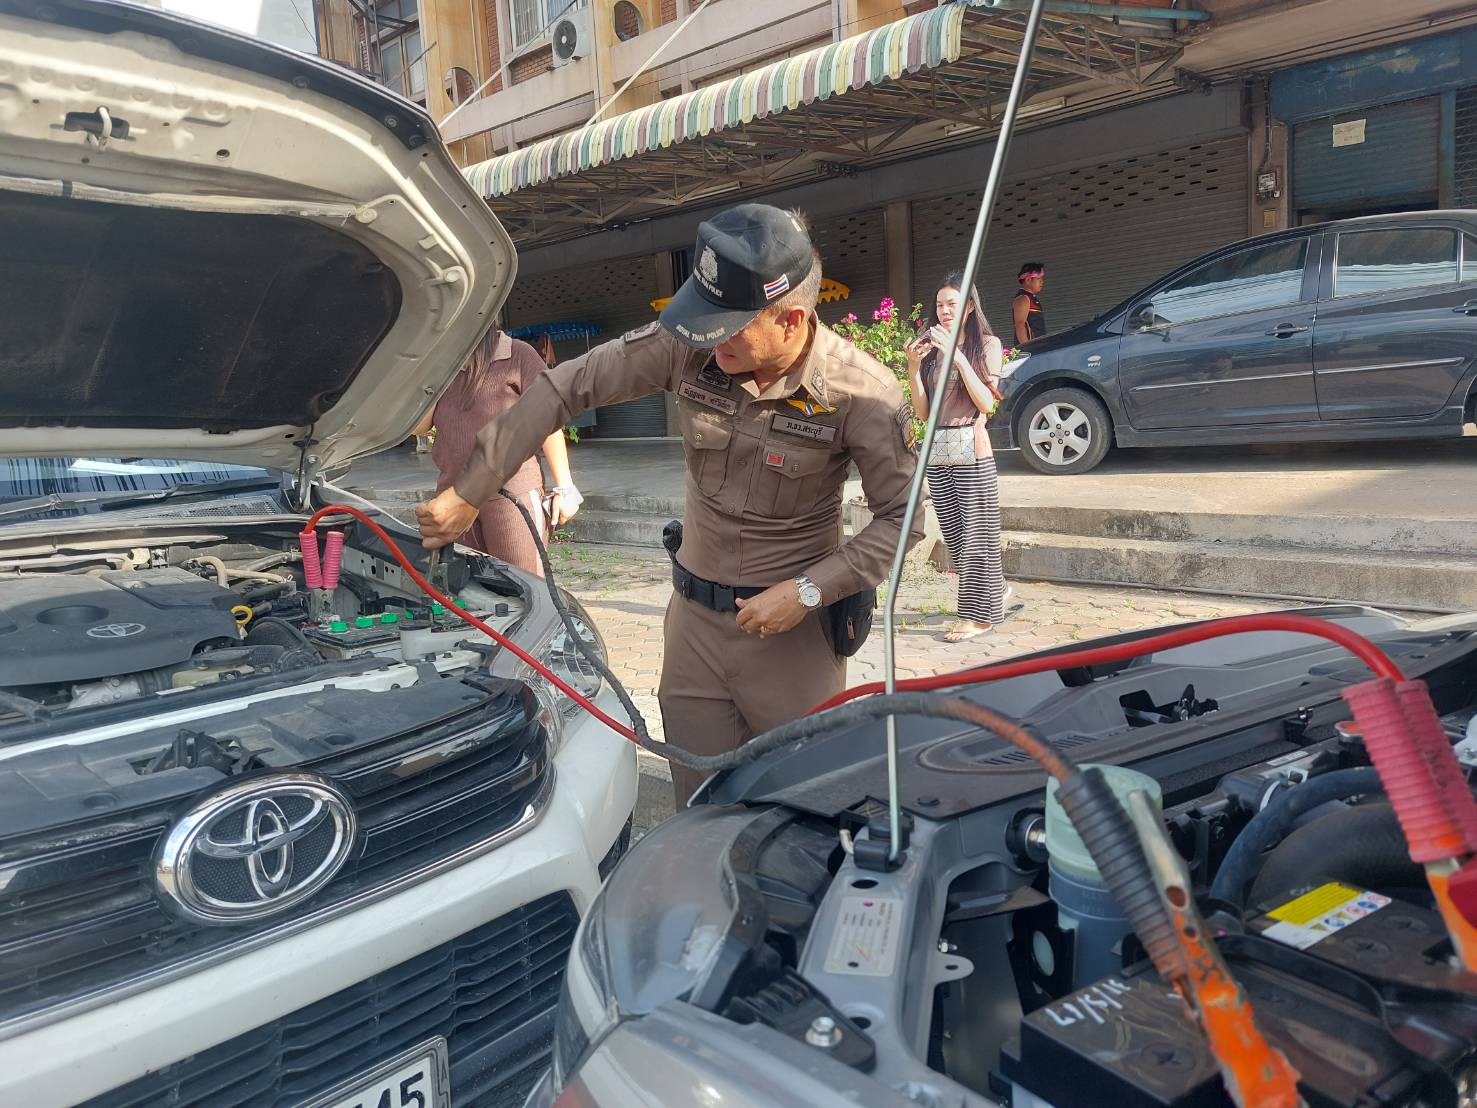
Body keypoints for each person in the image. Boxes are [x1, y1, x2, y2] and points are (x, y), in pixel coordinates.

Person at [415, 204, 924, 805]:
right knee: (698, 805)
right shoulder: (691, 347)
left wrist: (810, 590)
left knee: (805, 806)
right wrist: (470, 490)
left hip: (793, 640)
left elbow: (905, 518)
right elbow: (564, 387)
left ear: (789, 321)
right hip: (694, 637)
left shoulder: (860, 392)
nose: (707, 336)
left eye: (728, 325)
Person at [414, 328, 581, 577]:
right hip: (453, 495)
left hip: (511, 497)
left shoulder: (517, 354)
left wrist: (566, 488)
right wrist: (434, 373)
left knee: (523, 585)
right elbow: (418, 427)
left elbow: (549, 419)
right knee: (468, 589)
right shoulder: (441, 364)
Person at [907, 274, 1011, 643]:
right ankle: (997, 591)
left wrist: (959, 359)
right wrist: (913, 368)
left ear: (969, 307)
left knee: (977, 538)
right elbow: (924, 412)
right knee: (955, 536)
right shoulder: (932, 350)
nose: (944, 311)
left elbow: (986, 403)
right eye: (939, 305)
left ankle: (978, 617)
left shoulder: (988, 345)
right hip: (938, 451)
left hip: (973, 451)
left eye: (952, 304)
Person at [1013, 262, 1047, 345]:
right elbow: (1020, 325)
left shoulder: (1031, 298)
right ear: (1028, 280)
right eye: (1039, 279)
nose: (1042, 281)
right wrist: (1027, 348)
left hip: (1038, 346)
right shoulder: (1023, 298)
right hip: (1031, 349)